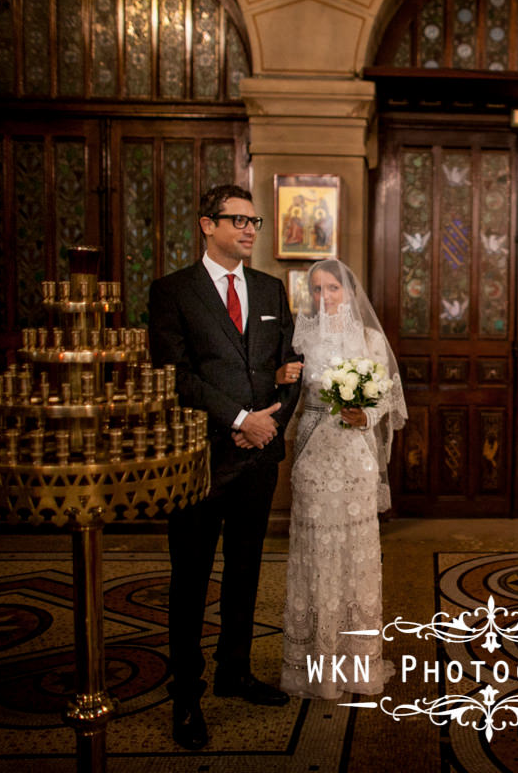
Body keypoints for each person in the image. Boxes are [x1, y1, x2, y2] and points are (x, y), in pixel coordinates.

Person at [148, 184, 301, 750]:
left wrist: (270, 426)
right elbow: (176, 374)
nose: (248, 230)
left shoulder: (269, 288)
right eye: (236, 220)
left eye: (254, 221)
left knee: (245, 570)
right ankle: (186, 695)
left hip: (259, 459)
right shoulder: (173, 292)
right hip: (199, 458)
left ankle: (235, 671)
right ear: (206, 225)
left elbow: (291, 365)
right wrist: (240, 417)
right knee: (189, 579)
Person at [276, 259, 407, 699]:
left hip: (355, 460)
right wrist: (280, 377)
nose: (324, 297)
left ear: (349, 292)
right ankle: (314, 664)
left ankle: (355, 663)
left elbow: (387, 394)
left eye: (332, 288)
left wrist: (365, 413)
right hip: (314, 460)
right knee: (315, 554)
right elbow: (287, 394)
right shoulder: (300, 338)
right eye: (316, 289)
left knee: (356, 557)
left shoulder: (369, 339)